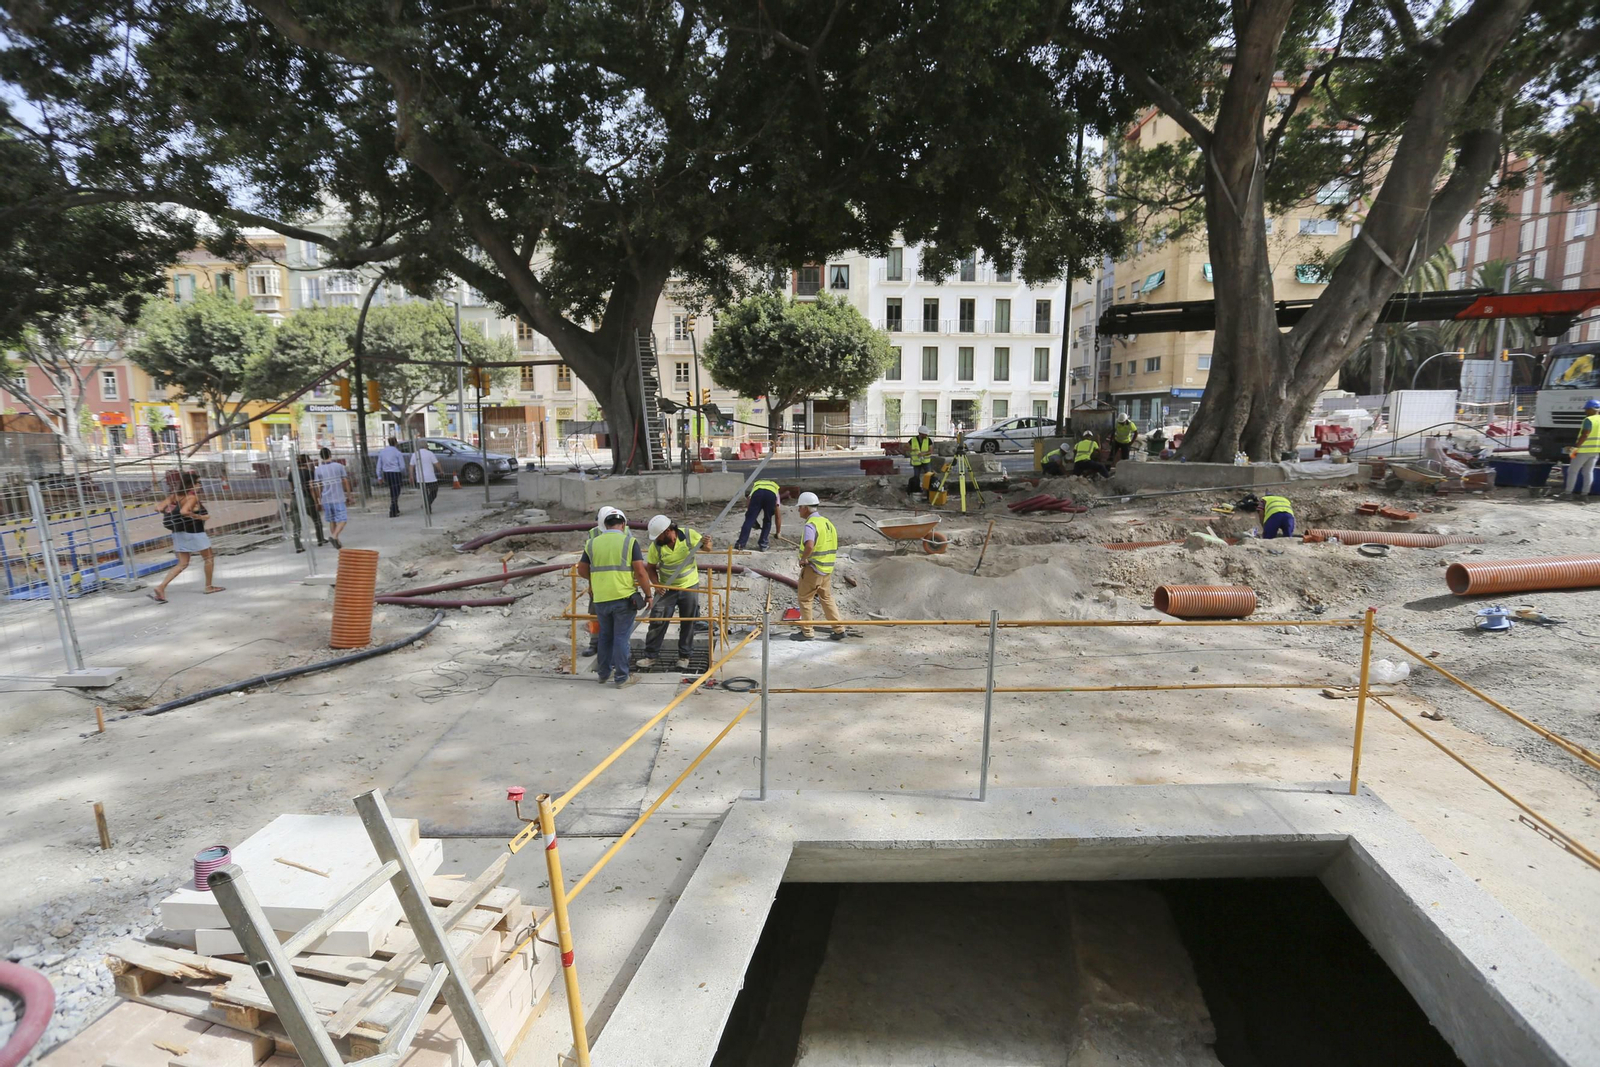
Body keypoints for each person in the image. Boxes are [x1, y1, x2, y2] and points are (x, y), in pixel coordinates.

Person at [577, 509, 652, 688]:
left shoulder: (593, 543)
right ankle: (622, 678)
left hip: (601, 598)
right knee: (620, 638)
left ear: (604, 525)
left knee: (605, 636)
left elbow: (581, 569)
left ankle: (603, 674)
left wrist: (596, 580)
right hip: (623, 598)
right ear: (624, 524)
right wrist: (648, 594)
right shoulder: (629, 541)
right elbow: (640, 572)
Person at [641, 514, 710, 670]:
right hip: (667, 588)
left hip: (689, 585)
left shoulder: (688, 535)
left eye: (658, 536)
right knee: (657, 620)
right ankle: (650, 656)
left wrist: (706, 543)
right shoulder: (656, 546)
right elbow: (650, 568)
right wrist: (657, 585)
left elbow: (707, 548)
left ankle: (684, 657)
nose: (656, 539)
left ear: (667, 531)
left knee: (688, 622)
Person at [150, 472, 223, 601]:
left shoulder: (174, 496)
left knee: (183, 563)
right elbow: (184, 511)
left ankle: (161, 587)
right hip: (195, 532)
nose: (200, 485)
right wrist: (200, 517)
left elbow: (158, 508)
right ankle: (209, 586)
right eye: (198, 483)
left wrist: (170, 511)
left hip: (178, 533)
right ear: (192, 485)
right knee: (209, 558)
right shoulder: (191, 497)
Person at [791, 492, 846, 642]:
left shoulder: (811, 525)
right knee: (827, 598)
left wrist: (804, 558)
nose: (798, 510)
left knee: (805, 599)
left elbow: (809, 545)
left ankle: (807, 632)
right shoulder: (827, 523)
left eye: (800, 507)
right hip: (826, 569)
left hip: (813, 568)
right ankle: (839, 629)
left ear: (806, 508)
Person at [312, 447, 351, 548]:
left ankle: (336, 541)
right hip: (338, 497)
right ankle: (334, 536)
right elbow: (345, 481)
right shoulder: (339, 466)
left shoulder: (318, 470)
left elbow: (317, 486)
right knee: (343, 520)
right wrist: (349, 495)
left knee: (332, 520)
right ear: (330, 455)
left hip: (326, 498)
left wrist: (318, 499)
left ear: (321, 457)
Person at [1565, 398, 1600, 503]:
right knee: (1588, 472)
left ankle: (1567, 494)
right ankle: (1584, 495)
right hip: (1595, 450)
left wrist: (1575, 447)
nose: (1585, 411)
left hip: (1583, 450)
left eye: (1587, 409)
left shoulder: (1588, 420)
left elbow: (1585, 435)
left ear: (1592, 409)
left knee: (1572, 471)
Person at [735, 477, 782, 551]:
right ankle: (763, 545)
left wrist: (752, 520)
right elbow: (778, 515)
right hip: (770, 496)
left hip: (757, 494)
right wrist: (778, 532)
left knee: (749, 520)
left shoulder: (757, 485)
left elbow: (749, 501)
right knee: (767, 520)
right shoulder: (775, 488)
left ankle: (740, 544)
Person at [376, 436, 407, 517]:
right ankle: (392, 509)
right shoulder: (397, 453)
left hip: (387, 473)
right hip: (396, 472)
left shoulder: (383, 452)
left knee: (392, 490)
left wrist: (379, 476)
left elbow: (379, 465)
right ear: (396, 443)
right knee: (396, 491)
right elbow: (402, 466)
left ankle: (396, 508)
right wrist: (403, 472)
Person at [411, 442, 441, 511]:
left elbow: (411, 466)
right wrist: (441, 470)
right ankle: (427, 505)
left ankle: (427, 507)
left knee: (424, 494)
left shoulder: (415, 454)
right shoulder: (430, 453)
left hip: (420, 478)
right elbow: (436, 463)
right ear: (426, 446)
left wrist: (411, 475)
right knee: (434, 492)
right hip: (430, 478)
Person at [906, 425, 933, 498]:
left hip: (926, 461)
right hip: (916, 462)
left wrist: (923, 454)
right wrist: (912, 449)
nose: (926, 435)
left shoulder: (928, 440)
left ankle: (928, 491)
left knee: (929, 477)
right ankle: (916, 491)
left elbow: (930, 451)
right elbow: (906, 447)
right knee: (916, 478)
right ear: (920, 433)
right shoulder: (913, 440)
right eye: (925, 434)